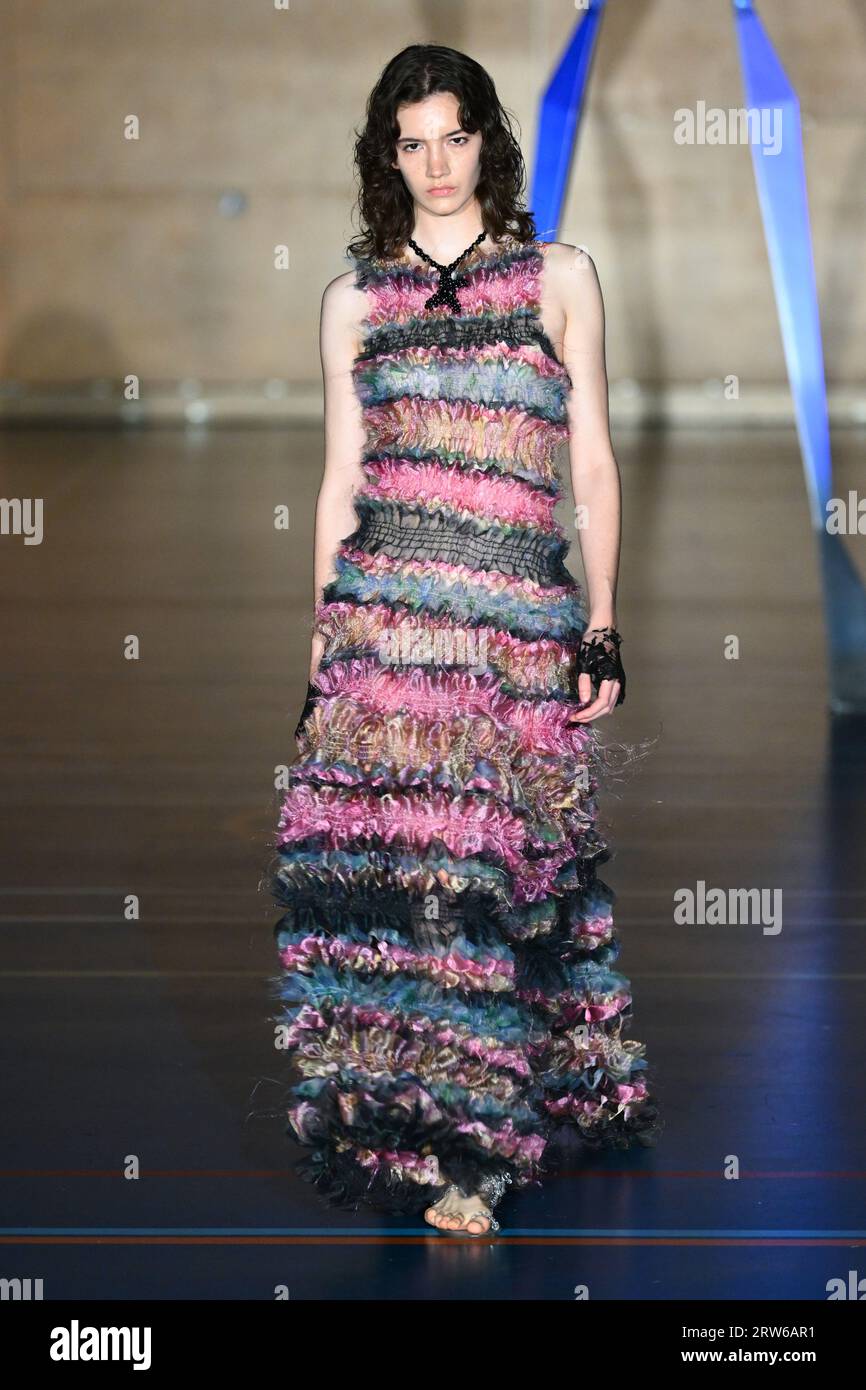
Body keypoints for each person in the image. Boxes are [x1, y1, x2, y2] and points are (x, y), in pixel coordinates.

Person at [265, 42, 662, 1238]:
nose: (437, 163)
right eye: (412, 142)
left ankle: (542, 1089)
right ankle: (453, 1148)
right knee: (410, 883)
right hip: (386, 635)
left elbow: (587, 458)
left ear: (488, 137)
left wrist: (599, 624)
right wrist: (319, 657)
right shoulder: (351, 297)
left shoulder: (558, 275)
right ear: (386, 155)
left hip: (510, 634)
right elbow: (339, 484)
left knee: (509, 874)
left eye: (456, 134)